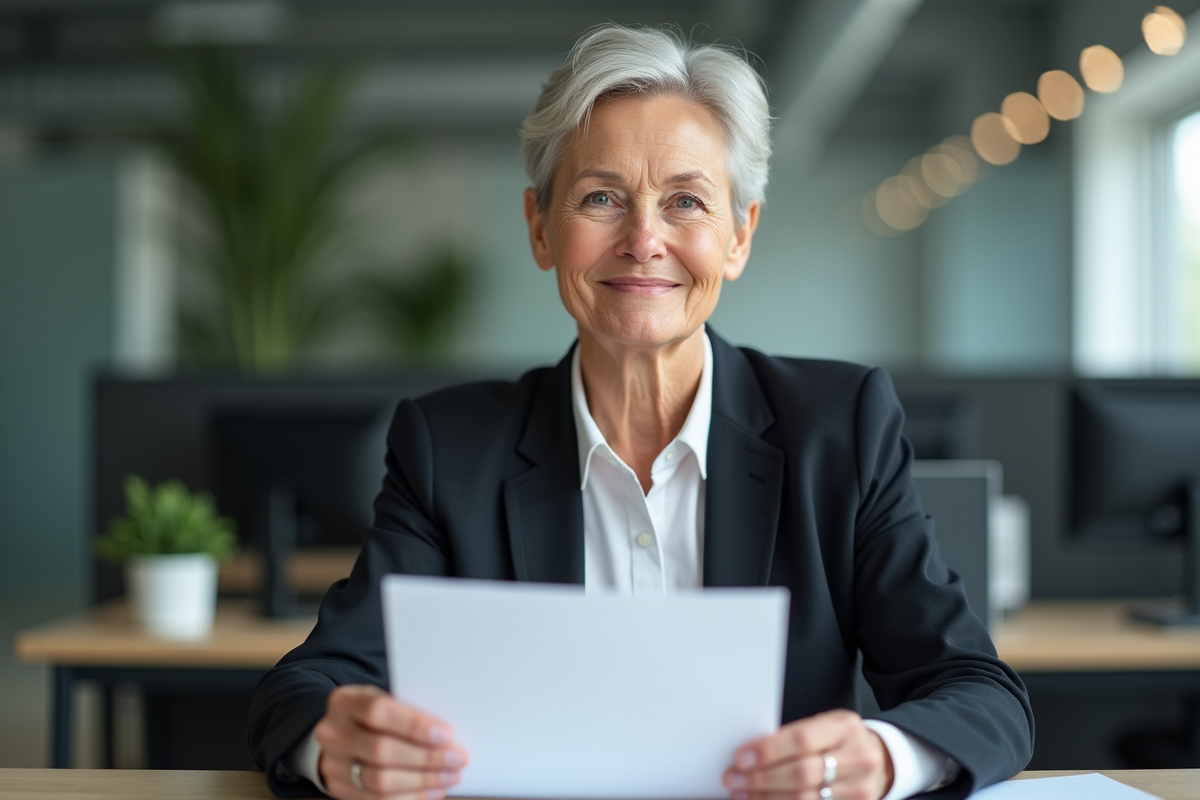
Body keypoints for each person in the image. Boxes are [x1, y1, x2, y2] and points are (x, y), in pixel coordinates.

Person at [248, 23, 1034, 800]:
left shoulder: (841, 428)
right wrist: (339, 745)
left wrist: (883, 758)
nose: (644, 240)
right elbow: (309, 687)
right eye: (601, 198)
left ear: (739, 236)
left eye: (686, 201)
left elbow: (980, 693)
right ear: (540, 227)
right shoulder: (448, 447)